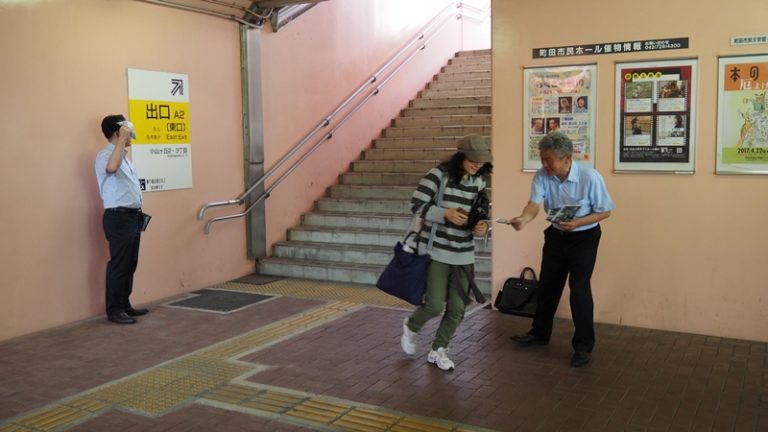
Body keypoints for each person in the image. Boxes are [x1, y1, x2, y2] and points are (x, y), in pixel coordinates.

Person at [506, 131, 614, 368]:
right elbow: (534, 204)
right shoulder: (542, 175)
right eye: (542, 159)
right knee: (548, 285)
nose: (544, 165)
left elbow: (605, 211)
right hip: (556, 235)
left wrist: (578, 223)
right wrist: (524, 219)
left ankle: (583, 346)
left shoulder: (589, 177)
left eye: (549, 160)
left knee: (579, 289)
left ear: (567, 159)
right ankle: (539, 333)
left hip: (584, 237)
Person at [400, 135, 492, 371]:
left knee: (457, 309)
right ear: (461, 156)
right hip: (436, 250)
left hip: (464, 253)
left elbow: (481, 213)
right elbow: (416, 205)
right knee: (433, 305)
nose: (477, 165)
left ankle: (439, 349)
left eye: (481, 162)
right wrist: (445, 214)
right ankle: (411, 325)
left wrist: (482, 226)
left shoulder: (479, 181)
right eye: (473, 160)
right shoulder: (438, 175)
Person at [95, 114, 149, 325]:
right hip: (118, 217)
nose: (130, 138)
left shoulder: (124, 158)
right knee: (119, 264)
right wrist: (121, 140)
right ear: (118, 132)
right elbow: (111, 168)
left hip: (132, 217)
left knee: (130, 263)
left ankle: (125, 304)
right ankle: (115, 310)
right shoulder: (105, 156)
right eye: (126, 133)